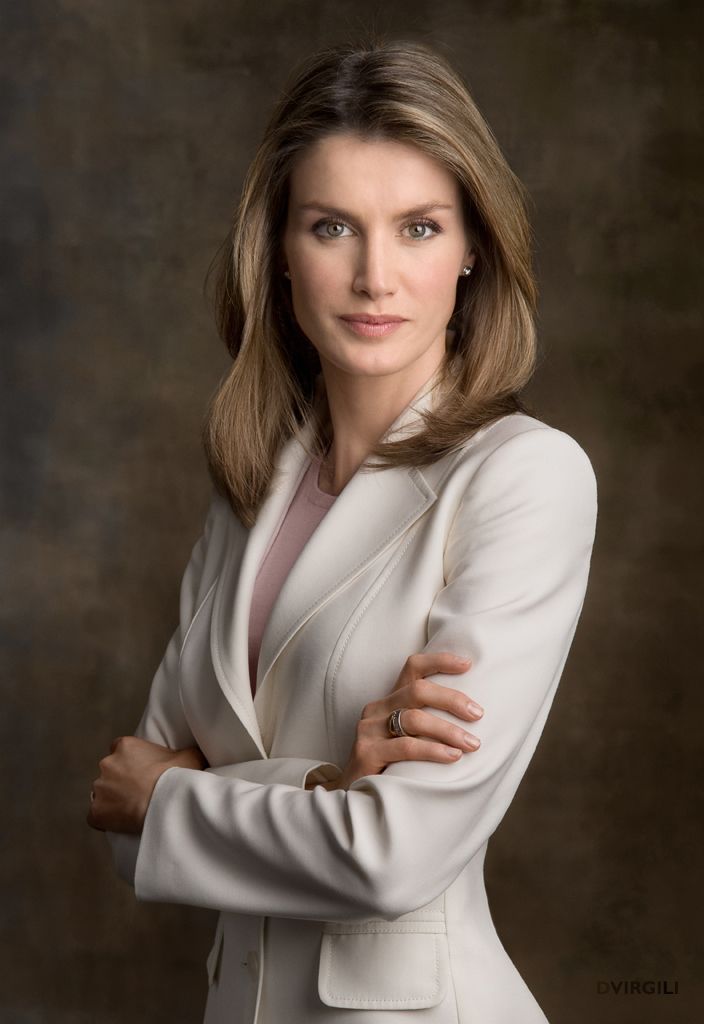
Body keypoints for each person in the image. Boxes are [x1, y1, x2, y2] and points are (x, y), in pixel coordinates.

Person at [87, 36, 597, 1024]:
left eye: (416, 228)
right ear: (278, 253)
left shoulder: (522, 477)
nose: (373, 276)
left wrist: (180, 799)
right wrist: (326, 784)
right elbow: (116, 818)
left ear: (470, 250)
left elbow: (390, 856)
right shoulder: (249, 487)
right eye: (331, 226)